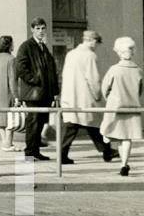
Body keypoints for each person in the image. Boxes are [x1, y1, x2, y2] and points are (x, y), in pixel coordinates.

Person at [60, 30, 116, 165]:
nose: (96, 45)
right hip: (84, 98)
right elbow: (93, 78)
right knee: (96, 125)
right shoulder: (90, 55)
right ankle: (106, 151)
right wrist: (98, 95)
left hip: (70, 96)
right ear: (92, 41)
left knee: (73, 126)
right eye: (96, 42)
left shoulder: (71, 54)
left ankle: (106, 150)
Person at [16, 17, 60, 161]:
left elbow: (52, 70)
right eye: (38, 28)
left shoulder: (43, 47)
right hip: (33, 94)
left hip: (43, 93)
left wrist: (55, 93)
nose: (41, 31)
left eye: (43, 28)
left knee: (40, 122)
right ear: (32, 29)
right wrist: (35, 80)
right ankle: (29, 153)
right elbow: (21, 68)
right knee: (33, 123)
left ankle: (35, 151)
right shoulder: (26, 46)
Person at [100, 37, 144, 177]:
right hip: (132, 108)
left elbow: (105, 88)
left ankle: (106, 137)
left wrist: (110, 98)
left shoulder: (114, 70)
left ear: (119, 52)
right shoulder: (138, 71)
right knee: (127, 138)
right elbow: (140, 90)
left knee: (115, 134)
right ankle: (124, 164)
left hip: (116, 107)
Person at [0, 35, 18, 152]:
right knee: (11, 118)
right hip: (7, 93)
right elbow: (13, 79)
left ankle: (4, 141)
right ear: (9, 46)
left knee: (1, 119)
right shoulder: (11, 59)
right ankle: (8, 143)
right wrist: (16, 96)